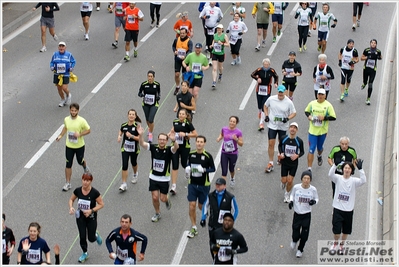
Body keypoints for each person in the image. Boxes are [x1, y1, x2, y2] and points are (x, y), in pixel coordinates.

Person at [137, 125, 179, 222]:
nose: (162, 141)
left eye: (164, 140)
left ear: (167, 141)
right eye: (160, 139)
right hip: (153, 177)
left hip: (164, 179)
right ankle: (157, 213)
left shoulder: (169, 149)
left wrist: (174, 140)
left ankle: (167, 199)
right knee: (155, 197)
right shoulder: (153, 147)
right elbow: (142, 144)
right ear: (158, 139)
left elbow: (176, 148)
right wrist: (140, 135)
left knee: (162, 199)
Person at [328, 160, 366, 254]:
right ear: (342, 169)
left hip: (348, 210)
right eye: (345, 168)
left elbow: (363, 181)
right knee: (336, 231)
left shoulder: (354, 181)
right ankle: (335, 243)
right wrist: (334, 165)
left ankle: (342, 245)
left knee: (346, 231)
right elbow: (330, 175)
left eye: (349, 168)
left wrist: (360, 169)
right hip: (337, 209)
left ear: (351, 170)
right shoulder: (338, 178)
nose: (347, 170)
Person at [68, 172, 104, 263]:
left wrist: (91, 211)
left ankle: (96, 235)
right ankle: (85, 253)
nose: (85, 182)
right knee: (82, 236)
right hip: (80, 217)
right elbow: (71, 199)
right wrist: (71, 207)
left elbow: (101, 204)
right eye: (84, 180)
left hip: (91, 217)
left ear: (91, 181)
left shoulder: (95, 192)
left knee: (91, 239)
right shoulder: (78, 190)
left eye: (87, 180)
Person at [185, 135, 216, 238]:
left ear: (204, 143)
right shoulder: (191, 154)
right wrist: (188, 168)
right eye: (198, 141)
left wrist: (204, 170)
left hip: (204, 185)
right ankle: (194, 227)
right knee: (192, 205)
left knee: (201, 206)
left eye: (201, 142)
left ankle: (209, 211)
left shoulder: (208, 156)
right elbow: (188, 163)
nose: (199, 143)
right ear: (195, 143)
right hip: (192, 184)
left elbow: (213, 169)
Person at [56, 103, 91, 191]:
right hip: (69, 146)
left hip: (79, 146)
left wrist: (80, 134)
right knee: (68, 164)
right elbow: (65, 127)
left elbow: (88, 130)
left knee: (80, 161)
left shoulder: (82, 121)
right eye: (72, 110)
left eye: (75, 111)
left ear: (78, 111)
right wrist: (60, 136)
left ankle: (85, 167)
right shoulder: (66, 119)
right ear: (70, 110)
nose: (73, 112)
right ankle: (68, 183)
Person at [201, 178, 239, 260]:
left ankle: (223, 260)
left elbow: (236, 210)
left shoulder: (230, 197)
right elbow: (205, 206)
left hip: (223, 227)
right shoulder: (211, 196)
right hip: (212, 224)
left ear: (224, 186)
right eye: (216, 184)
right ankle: (215, 259)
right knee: (212, 244)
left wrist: (231, 221)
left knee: (222, 243)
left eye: (220, 185)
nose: (217, 186)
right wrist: (203, 218)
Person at [264, 85, 296, 173]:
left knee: (281, 143)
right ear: (277, 92)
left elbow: (294, 113)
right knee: (271, 143)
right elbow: (265, 106)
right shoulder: (271, 99)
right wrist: (266, 115)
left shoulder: (288, 102)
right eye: (279, 92)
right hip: (272, 125)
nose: (280, 94)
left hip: (283, 126)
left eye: (282, 92)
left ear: (285, 92)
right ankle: (270, 162)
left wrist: (288, 118)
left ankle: (279, 155)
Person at [288, 170, 318, 258]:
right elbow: (292, 195)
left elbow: (317, 198)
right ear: (301, 179)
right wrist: (291, 202)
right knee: (295, 230)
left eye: (308, 178)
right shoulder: (297, 187)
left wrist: (314, 202)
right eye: (304, 178)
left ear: (310, 180)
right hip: (297, 213)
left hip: (306, 215)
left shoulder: (313, 189)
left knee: (304, 235)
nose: (306, 180)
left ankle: (300, 249)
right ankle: (294, 240)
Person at [304, 88, 336, 171]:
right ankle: (309, 168)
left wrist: (324, 118)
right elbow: (306, 111)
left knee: (319, 148)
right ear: (317, 95)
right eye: (319, 94)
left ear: (325, 96)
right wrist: (309, 116)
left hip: (322, 131)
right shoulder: (312, 103)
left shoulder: (328, 105)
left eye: (322, 95)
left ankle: (319, 155)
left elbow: (333, 117)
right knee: (311, 148)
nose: (320, 96)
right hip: (312, 131)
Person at [168, 108, 198, 195]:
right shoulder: (175, 121)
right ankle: (173, 186)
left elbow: (195, 134)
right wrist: (168, 134)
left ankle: (189, 171)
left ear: (186, 115)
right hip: (175, 146)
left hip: (185, 147)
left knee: (184, 164)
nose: (181, 115)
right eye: (180, 114)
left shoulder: (188, 124)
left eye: (182, 114)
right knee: (175, 165)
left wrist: (186, 134)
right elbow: (172, 130)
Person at [278, 122, 304, 202]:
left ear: (297, 130)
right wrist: (281, 153)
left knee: (290, 181)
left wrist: (297, 155)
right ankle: (283, 183)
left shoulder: (299, 141)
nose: (293, 129)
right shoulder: (284, 138)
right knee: (284, 180)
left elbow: (302, 152)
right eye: (291, 127)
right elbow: (279, 146)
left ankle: (287, 194)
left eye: (294, 128)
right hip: (285, 162)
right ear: (289, 129)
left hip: (293, 163)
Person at [250, 58, 279, 131]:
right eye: (265, 64)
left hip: (267, 89)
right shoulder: (259, 70)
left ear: (269, 64)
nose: (266, 65)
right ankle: (259, 111)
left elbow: (276, 76)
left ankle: (261, 123)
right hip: (259, 89)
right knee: (259, 103)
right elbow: (252, 74)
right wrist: (257, 79)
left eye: (267, 64)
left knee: (264, 105)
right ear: (263, 64)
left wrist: (276, 83)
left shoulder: (271, 70)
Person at [117, 109, 142, 191]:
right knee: (124, 165)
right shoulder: (124, 125)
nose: (131, 116)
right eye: (130, 114)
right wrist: (119, 136)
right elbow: (121, 130)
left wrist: (131, 136)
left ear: (135, 116)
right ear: (127, 115)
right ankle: (124, 184)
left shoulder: (137, 126)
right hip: (125, 148)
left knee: (133, 162)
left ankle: (135, 174)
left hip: (134, 149)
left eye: (133, 114)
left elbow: (139, 139)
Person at [216, 116, 243, 187]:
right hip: (224, 153)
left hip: (233, 153)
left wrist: (236, 139)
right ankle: (223, 188)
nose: (232, 123)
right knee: (224, 171)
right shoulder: (224, 129)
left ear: (236, 123)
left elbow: (241, 144)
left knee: (231, 169)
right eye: (231, 121)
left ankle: (232, 178)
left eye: (234, 122)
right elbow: (221, 134)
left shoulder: (238, 132)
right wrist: (219, 138)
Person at [50, 41, 75, 107]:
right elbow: (52, 62)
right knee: (59, 88)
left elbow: (73, 61)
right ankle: (62, 99)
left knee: (64, 87)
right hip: (57, 74)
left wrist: (71, 68)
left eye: (62, 46)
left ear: (65, 47)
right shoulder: (55, 54)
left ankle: (68, 94)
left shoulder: (69, 55)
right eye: (60, 46)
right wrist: (52, 67)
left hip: (65, 73)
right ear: (58, 47)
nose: (61, 48)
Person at [138, 70, 160, 143]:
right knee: (147, 120)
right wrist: (141, 95)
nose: (149, 78)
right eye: (148, 76)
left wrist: (158, 97)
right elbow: (139, 92)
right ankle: (149, 129)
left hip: (154, 104)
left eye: (151, 76)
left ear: (154, 77)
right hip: (145, 104)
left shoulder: (157, 84)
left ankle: (150, 134)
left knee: (151, 119)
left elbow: (159, 93)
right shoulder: (144, 84)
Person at [361, 39, 383, 105]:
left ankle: (368, 98)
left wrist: (379, 57)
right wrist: (368, 57)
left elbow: (381, 57)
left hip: (373, 70)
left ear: (376, 44)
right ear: (370, 44)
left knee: (370, 83)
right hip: (366, 68)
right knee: (365, 81)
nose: (373, 44)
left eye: (374, 43)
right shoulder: (367, 50)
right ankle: (364, 83)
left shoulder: (378, 51)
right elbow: (361, 58)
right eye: (372, 43)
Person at [172, 28, 193, 95]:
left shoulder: (189, 41)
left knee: (184, 75)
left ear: (186, 33)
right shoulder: (176, 39)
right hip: (177, 59)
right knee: (177, 74)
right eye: (181, 33)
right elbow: (173, 46)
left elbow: (190, 51)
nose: (182, 35)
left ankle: (184, 88)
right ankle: (177, 86)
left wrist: (185, 56)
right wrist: (174, 51)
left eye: (183, 33)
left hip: (185, 60)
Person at [210, 24, 229, 88]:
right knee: (214, 68)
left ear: (222, 29)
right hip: (214, 53)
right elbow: (214, 41)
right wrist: (212, 45)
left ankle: (220, 74)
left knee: (220, 67)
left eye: (220, 29)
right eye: (218, 28)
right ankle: (214, 81)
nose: (218, 30)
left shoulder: (224, 36)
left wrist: (222, 43)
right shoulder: (215, 35)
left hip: (221, 54)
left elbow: (228, 44)